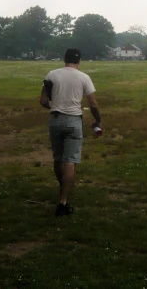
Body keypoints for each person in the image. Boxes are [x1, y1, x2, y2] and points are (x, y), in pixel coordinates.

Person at [40, 48, 101, 217]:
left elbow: (43, 100)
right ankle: (63, 202)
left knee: (58, 158)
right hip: (73, 120)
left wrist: (53, 106)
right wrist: (98, 120)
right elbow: (93, 105)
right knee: (70, 161)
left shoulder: (51, 74)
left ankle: (63, 187)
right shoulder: (83, 77)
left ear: (64, 59)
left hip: (55, 119)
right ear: (79, 61)